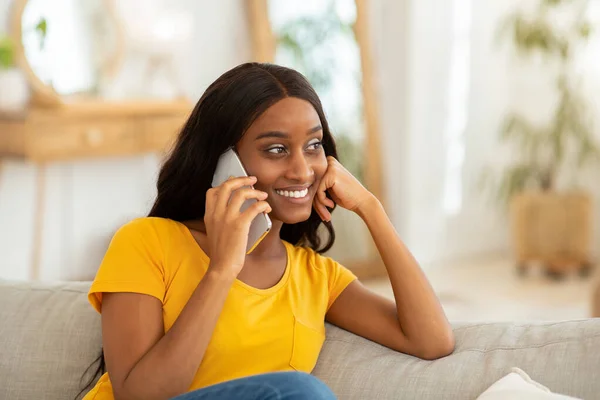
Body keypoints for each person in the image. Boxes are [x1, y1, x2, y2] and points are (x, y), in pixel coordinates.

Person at [80, 63, 454, 400]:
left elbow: (432, 340)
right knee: (300, 392)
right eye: (276, 149)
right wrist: (223, 269)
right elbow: (139, 395)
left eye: (313, 146)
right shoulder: (146, 242)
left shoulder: (315, 278)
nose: (303, 170)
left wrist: (371, 209)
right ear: (225, 163)